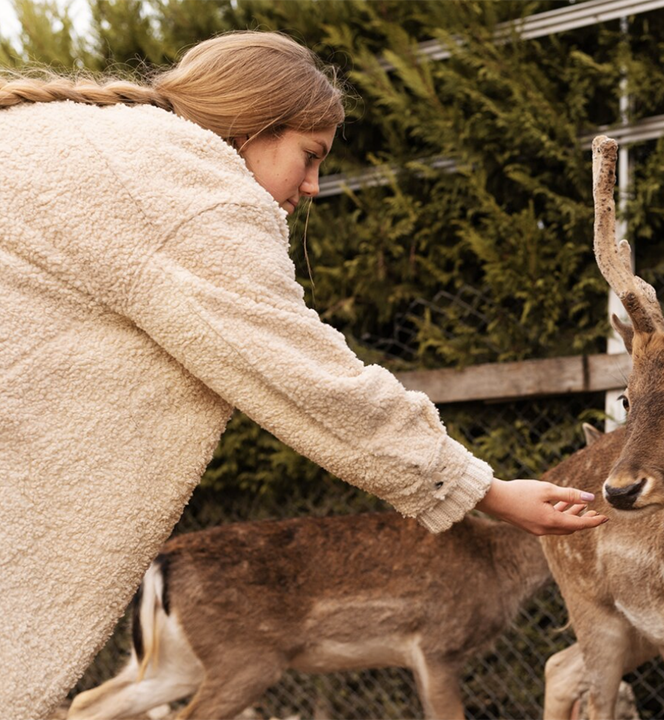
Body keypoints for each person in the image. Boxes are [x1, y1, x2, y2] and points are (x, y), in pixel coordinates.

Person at [0, 31, 607, 719]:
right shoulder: (195, 193)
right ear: (252, 126)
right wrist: (485, 491)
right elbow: (310, 379)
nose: (313, 188)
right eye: (309, 157)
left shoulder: (85, 144)